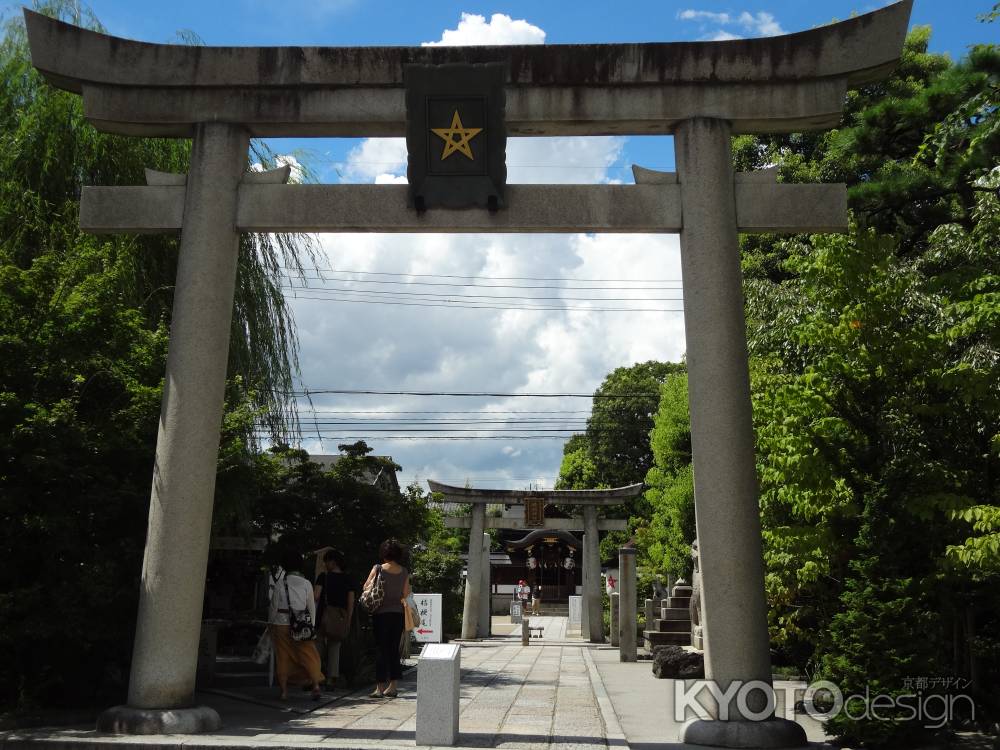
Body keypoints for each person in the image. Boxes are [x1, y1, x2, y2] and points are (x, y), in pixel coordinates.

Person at [268, 551, 324, 700]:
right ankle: (316, 685)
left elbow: (273, 607)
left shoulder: (280, 583)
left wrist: (270, 623)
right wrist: (310, 626)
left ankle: (284, 691)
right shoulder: (306, 584)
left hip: (281, 623)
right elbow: (311, 607)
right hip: (301, 624)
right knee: (308, 654)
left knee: (283, 656)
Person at [362, 538, 410, 698]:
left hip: (380, 614)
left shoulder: (378, 569)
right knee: (393, 649)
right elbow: (405, 594)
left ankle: (379, 688)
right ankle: (393, 686)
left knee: (381, 650)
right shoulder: (404, 572)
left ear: (383, 553)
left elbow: (366, 587)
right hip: (397, 615)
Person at [313, 548, 355, 691]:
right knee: (334, 647)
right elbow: (351, 601)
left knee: (318, 646)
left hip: (323, 616)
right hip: (340, 617)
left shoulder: (323, 577)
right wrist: (348, 620)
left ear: (332, 562)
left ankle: (316, 677)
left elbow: (316, 596)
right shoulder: (347, 579)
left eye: (326, 561)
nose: (325, 564)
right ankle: (331, 679)